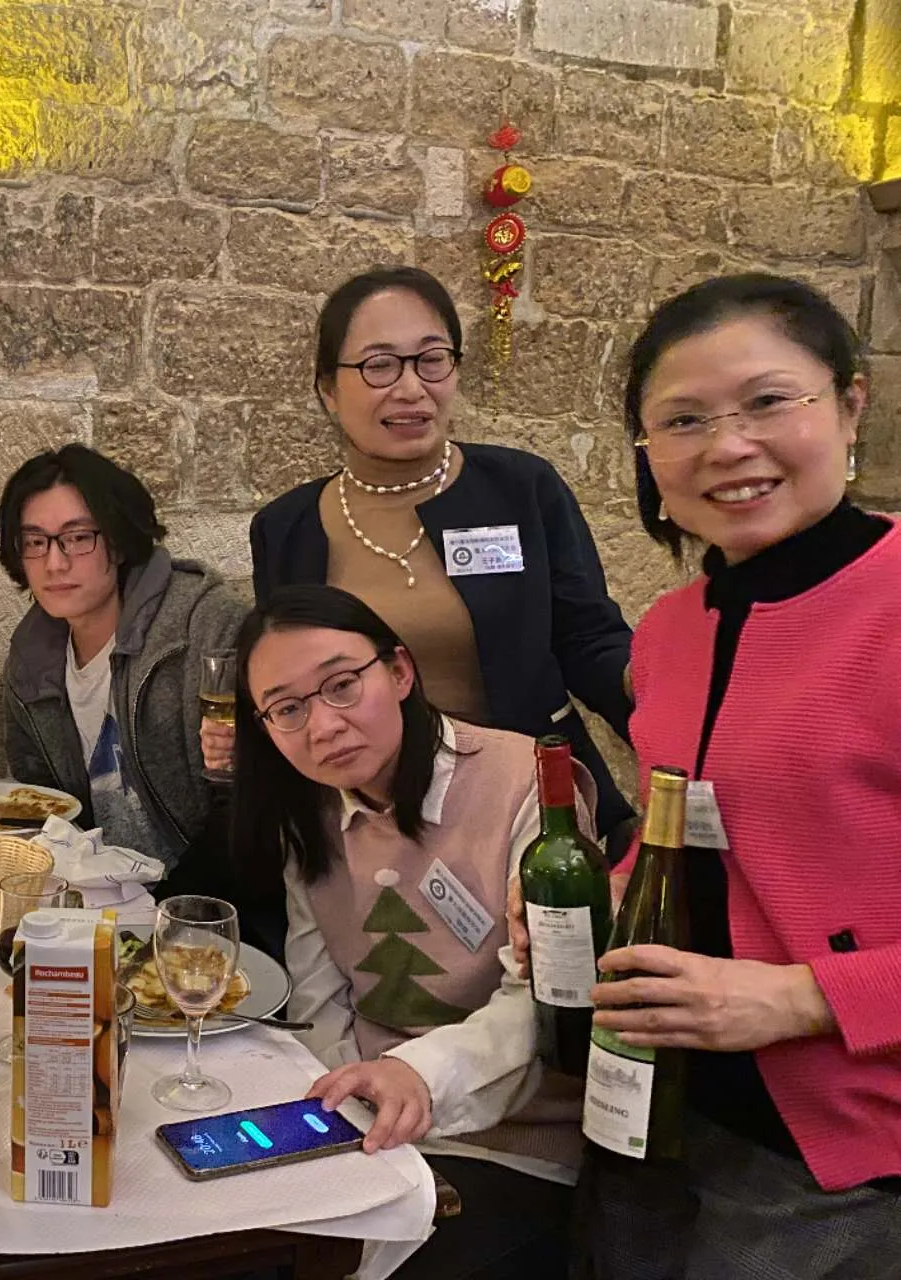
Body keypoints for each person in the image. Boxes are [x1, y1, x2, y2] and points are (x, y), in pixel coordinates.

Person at [559, 274, 901, 1276]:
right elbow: (696, 839)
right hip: (653, 1114)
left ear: (849, 403)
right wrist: (599, 900)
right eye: (683, 419)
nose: (727, 445)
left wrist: (803, 998)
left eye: (766, 401)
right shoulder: (671, 632)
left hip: (840, 1166)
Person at [234, 584, 591, 1280]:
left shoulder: (524, 783)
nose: (323, 726)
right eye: (288, 709)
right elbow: (319, 996)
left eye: (342, 685)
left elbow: (542, 997)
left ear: (399, 671)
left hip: (514, 1139)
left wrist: (414, 1075)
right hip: (368, 1129)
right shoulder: (305, 813)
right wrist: (341, 1109)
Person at [249, 266, 635, 844]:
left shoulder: (522, 487)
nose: (411, 389)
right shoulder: (286, 528)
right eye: (380, 365)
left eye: (432, 360)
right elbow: (286, 676)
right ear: (328, 388)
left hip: (533, 801)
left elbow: (587, 638)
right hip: (373, 818)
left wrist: (663, 692)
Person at [0, 444, 283, 957]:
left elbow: (252, 806)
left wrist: (165, 917)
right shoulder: (33, 655)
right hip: (98, 906)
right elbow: (42, 802)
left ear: (121, 540)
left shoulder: (204, 628)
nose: (55, 562)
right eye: (35, 542)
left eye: (78, 538)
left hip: (212, 916)